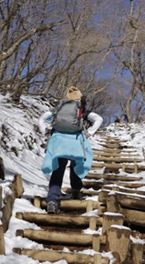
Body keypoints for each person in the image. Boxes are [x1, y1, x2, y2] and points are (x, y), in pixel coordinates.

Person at [40, 86, 103, 214]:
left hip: (59, 143)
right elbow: (98, 119)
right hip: (75, 143)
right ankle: (75, 191)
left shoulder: (59, 109)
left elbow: (42, 118)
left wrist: (45, 131)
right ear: (79, 98)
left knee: (58, 171)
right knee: (76, 167)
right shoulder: (81, 110)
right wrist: (90, 132)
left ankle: (52, 200)